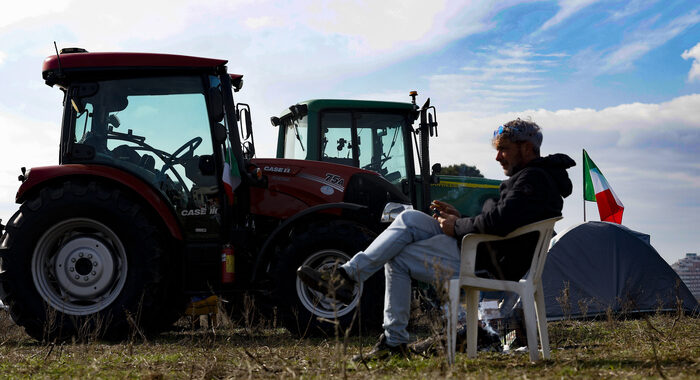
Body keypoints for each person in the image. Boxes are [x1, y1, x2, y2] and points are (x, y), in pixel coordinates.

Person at [297, 118, 575, 361]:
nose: (498, 157)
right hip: (483, 248)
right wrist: (461, 218)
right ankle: (346, 275)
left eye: (504, 149)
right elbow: (504, 220)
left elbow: (499, 222)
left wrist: (457, 226)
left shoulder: (532, 179)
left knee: (399, 258)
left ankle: (393, 341)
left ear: (527, 149)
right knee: (408, 219)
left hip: (488, 260)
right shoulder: (537, 179)